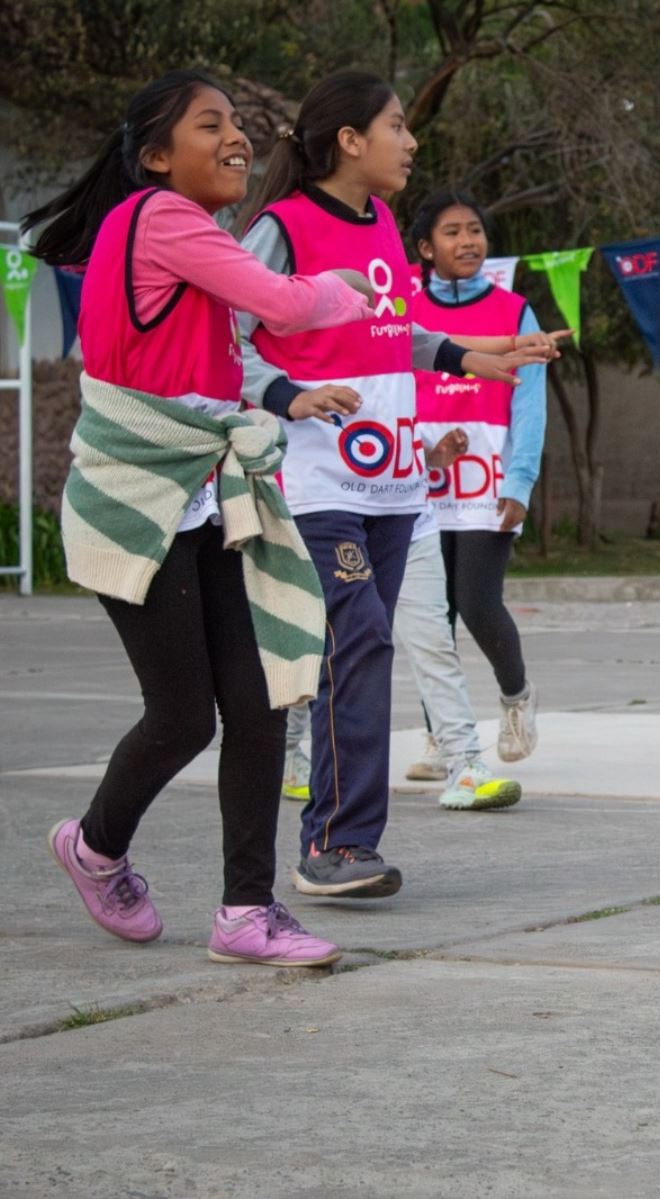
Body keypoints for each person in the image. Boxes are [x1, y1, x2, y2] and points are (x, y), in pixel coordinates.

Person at [28, 71, 375, 966]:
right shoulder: (158, 218)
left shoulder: (190, 235)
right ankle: (95, 846)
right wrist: (350, 288)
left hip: (206, 488)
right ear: (154, 156)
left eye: (237, 125)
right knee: (183, 713)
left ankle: (245, 913)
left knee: (256, 703)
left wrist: (281, 398)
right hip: (136, 500)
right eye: (209, 124)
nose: (236, 139)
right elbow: (290, 304)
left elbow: (225, 370)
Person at [235, 71, 555, 897]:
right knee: (361, 638)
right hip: (317, 484)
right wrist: (288, 395)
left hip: (396, 488)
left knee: (369, 652)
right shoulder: (283, 228)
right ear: (349, 139)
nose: (411, 142)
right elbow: (226, 336)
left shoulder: (378, 222)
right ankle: (334, 846)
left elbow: (389, 330)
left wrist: (469, 354)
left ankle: (346, 844)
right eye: (397, 126)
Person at [407, 189, 558, 771]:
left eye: (474, 229)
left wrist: (519, 482)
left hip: (488, 483)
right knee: (428, 612)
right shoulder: (406, 310)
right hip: (418, 478)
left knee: (475, 601)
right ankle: (440, 734)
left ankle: (517, 698)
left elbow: (531, 402)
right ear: (425, 248)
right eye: (451, 232)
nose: (467, 241)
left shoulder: (515, 310)